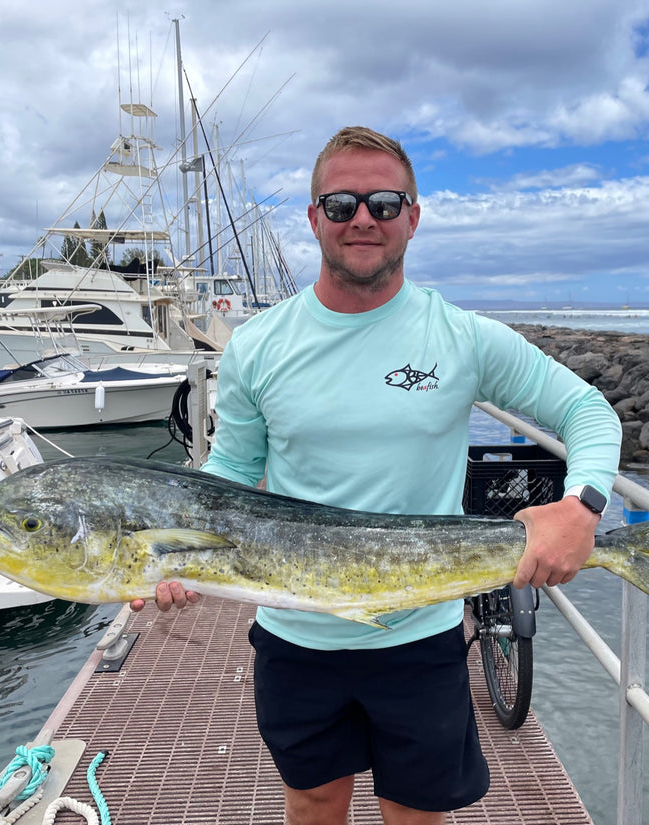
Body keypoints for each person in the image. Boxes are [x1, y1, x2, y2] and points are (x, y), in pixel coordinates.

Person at [131, 126, 622, 824]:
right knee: (312, 802)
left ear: (413, 219)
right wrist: (178, 547)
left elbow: (587, 409)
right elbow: (231, 471)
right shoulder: (259, 347)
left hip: (419, 631)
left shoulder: (462, 337)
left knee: (416, 813)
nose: (363, 217)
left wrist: (584, 503)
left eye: (386, 202)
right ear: (314, 219)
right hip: (296, 632)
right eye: (341, 204)